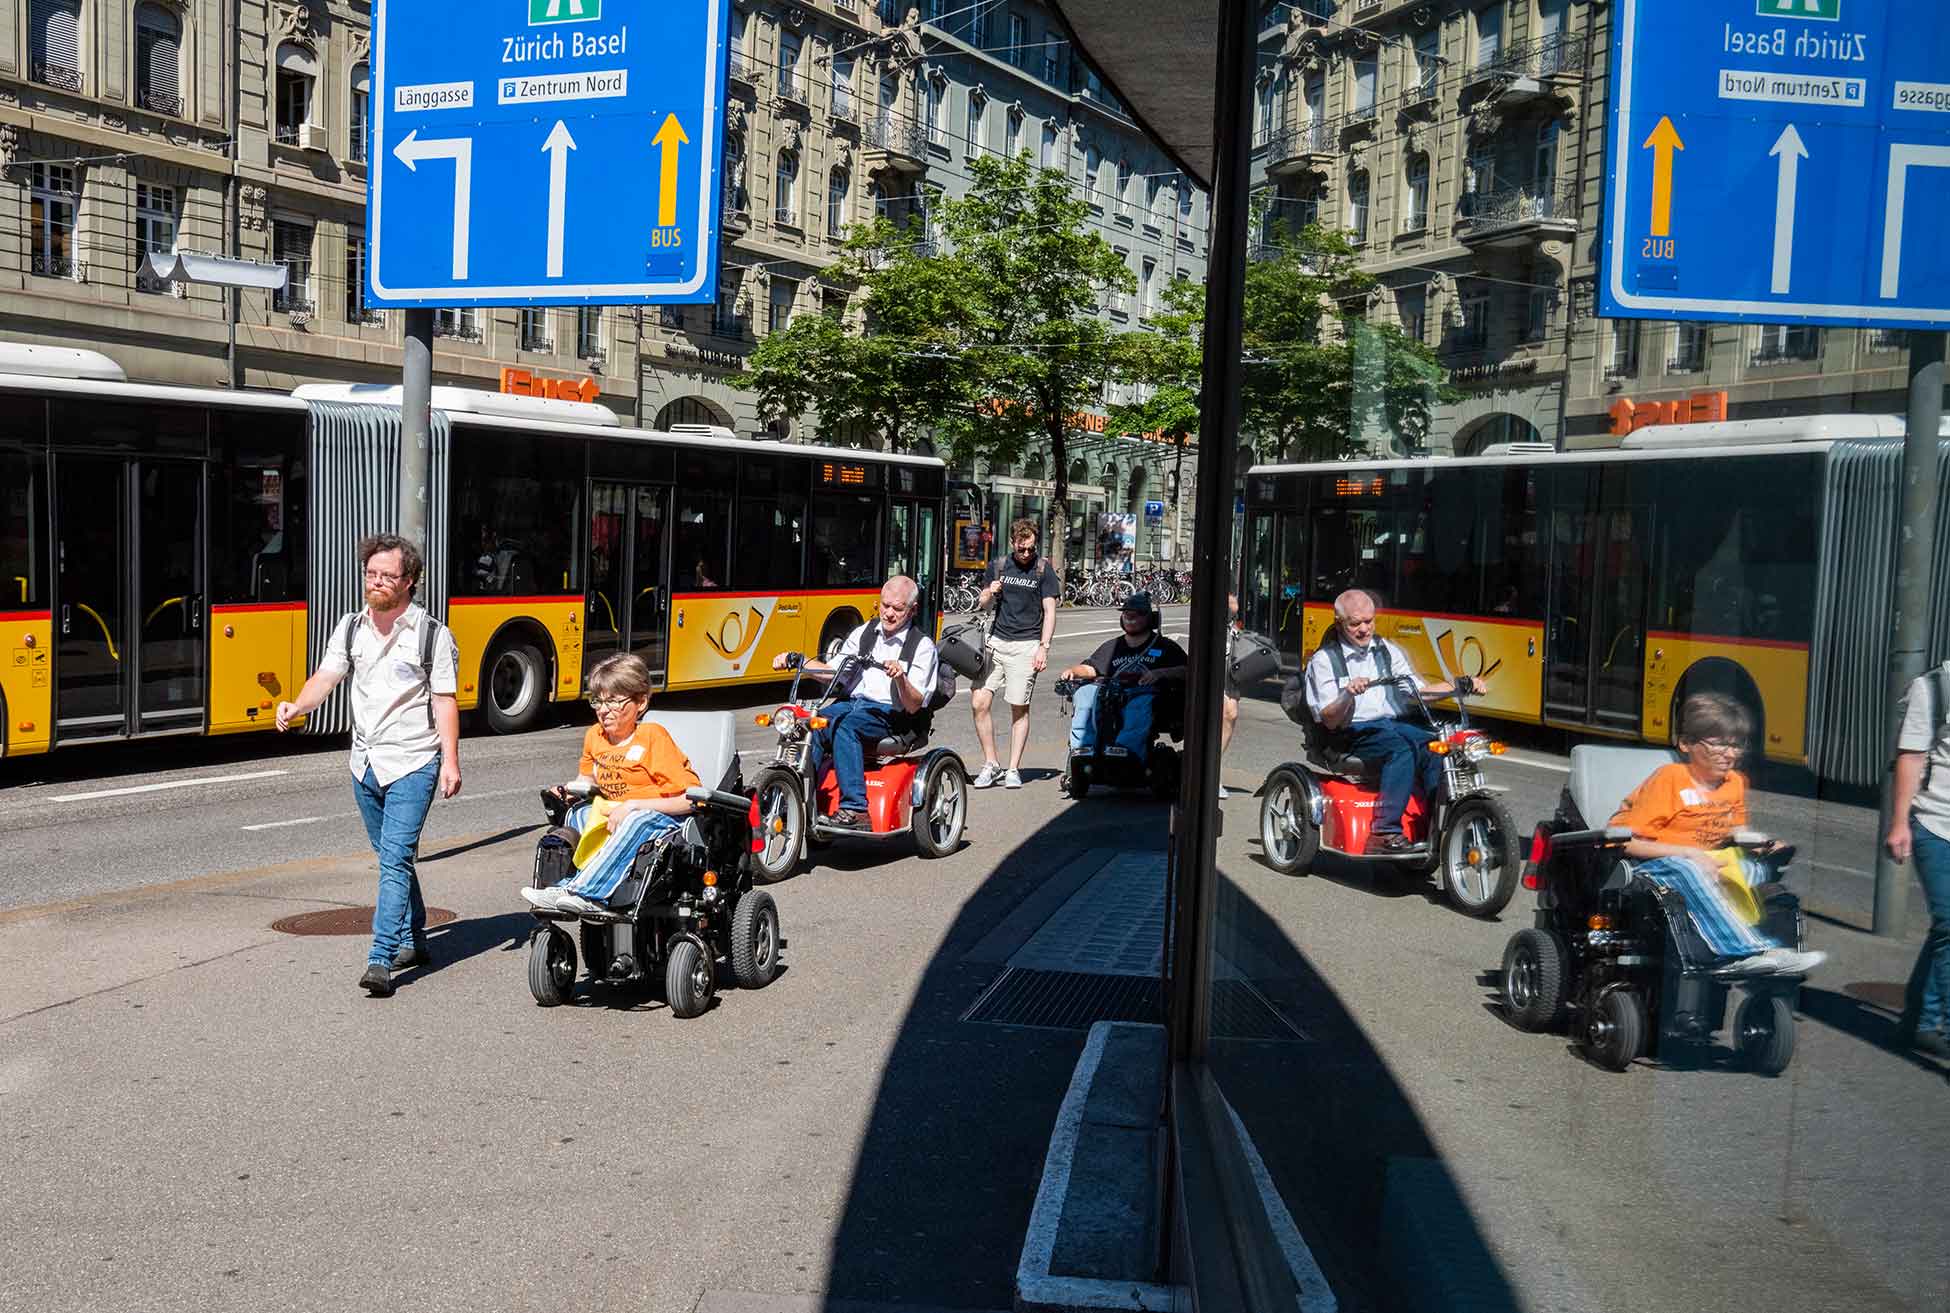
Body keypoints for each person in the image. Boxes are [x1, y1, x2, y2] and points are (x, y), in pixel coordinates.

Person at [276, 533, 461, 998]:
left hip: (414, 762)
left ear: (410, 581)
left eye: (387, 575)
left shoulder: (432, 635)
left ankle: (381, 957)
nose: (376, 582)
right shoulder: (351, 626)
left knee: (395, 860)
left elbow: (444, 700)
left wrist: (451, 762)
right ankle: (417, 938)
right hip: (365, 763)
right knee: (392, 858)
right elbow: (328, 675)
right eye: (371, 574)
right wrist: (298, 706)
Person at [1611, 693, 1825, 978]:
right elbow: (1622, 841)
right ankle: (1743, 953)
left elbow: (1735, 831)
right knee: (1689, 869)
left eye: (1737, 744)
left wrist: (1762, 844)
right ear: (1686, 744)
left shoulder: (1733, 782)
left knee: (1758, 870)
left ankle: (1773, 950)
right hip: (1654, 863)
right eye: (1719, 743)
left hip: (1708, 860)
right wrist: (1688, 854)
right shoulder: (1670, 779)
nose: (1731, 753)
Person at [521, 653, 700, 916]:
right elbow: (587, 780)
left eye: (614, 702)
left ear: (641, 702)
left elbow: (689, 799)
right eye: (598, 701)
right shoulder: (595, 736)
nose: (603, 710)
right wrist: (566, 791)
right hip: (617, 812)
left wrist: (633, 805)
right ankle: (569, 885)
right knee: (578, 814)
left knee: (636, 820)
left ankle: (585, 893)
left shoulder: (652, 737)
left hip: (661, 819)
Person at [1303, 588, 1480, 854]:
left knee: (1437, 746)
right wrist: (1347, 695)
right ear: (1339, 623)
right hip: (1348, 733)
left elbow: (1417, 691)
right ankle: (1384, 832)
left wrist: (1459, 686)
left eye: (1369, 621)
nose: (1364, 629)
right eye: (1355, 624)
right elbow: (1328, 718)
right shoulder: (1325, 660)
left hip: (1388, 725)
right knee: (1400, 749)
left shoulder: (1386, 650)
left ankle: (1440, 826)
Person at [771, 575, 938, 831]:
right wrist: (799, 660)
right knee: (809, 724)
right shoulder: (864, 633)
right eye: (885, 605)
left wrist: (901, 678)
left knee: (846, 726)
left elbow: (915, 704)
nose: (889, 613)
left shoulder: (922, 646)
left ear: (912, 610)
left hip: (894, 715)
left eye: (898, 608)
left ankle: (856, 810)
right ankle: (796, 799)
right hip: (854, 704)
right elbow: (832, 673)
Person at [1887, 659, 1950, 1059]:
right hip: (1938, 824)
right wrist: (1898, 823)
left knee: (1946, 928)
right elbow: (1911, 757)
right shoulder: (1935, 687)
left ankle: (1921, 1021)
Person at [970, 518, 1059, 789]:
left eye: (1031, 549)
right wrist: (990, 592)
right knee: (979, 702)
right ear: (1013, 543)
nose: (1027, 554)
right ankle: (991, 763)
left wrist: (1044, 646)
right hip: (996, 642)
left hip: (1027, 645)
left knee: (1019, 708)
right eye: (1022, 549)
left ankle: (1012, 768)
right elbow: (983, 604)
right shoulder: (998, 566)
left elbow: (1050, 610)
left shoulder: (1043, 570)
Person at [1059, 592, 1187, 771]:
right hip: (1114, 694)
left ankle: (1128, 751)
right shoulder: (1112, 646)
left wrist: (1160, 673)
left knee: (1140, 701)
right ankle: (1082, 747)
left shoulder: (1164, 646)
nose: (1129, 617)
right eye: (1126, 613)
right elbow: (1092, 668)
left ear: (1149, 617)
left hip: (1146, 695)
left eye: (1136, 614)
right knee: (1084, 693)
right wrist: (1073, 671)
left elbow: (1187, 670)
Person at [1219, 592, 1241, 800]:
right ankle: (1209, 773)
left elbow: (1233, 606)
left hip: (1229, 670)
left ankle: (1213, 768)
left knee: (1230, 714)